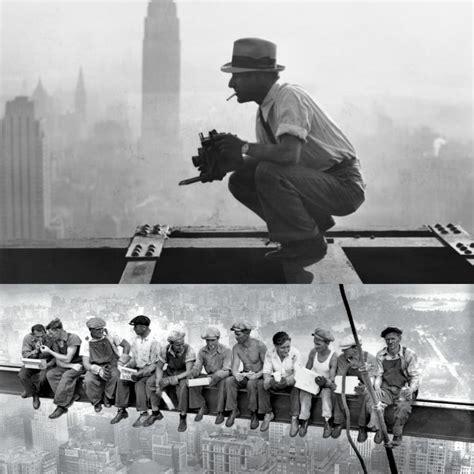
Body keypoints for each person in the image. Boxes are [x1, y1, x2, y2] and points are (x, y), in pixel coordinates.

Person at [215, 37, 365, 265]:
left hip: (343, 185)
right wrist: (227, 163)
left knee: (268, 172)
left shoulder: (289, 97)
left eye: (237, 76)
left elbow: (287, 156)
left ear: (259, 76)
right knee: (240, 180)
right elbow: (271, 161)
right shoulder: (266, 110)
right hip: (319, 181)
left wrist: (243, 146)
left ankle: (309, 242)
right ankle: (301, 234)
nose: (231, 84)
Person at [360, 327, 420, 446]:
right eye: (387, 339)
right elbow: (379, 375)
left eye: (393, 339)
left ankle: (397, 435)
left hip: (403, 388)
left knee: (403, 408)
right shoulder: (381, 355)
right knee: (374, 401)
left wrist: (411, 389)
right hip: (386, 388)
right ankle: (379, 429)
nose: (390, 342)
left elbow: (415, 376)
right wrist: (377, 387)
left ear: (399, 339)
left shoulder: (409, 355)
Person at [111, 315, 161, 427]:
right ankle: (121, 410)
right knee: (122, 379)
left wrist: (141, 373)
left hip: (150, 372)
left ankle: (143, 413)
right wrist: (128, 367)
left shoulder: (154, 341)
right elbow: (134, 358)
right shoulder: (136, 340)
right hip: (138, 369)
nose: (134, 329)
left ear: (143, 327)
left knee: (139, 384)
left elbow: (155, 364)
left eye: (136, 327)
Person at [330, 335, 376, 439]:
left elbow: (372, 380)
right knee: (336, 391)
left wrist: (363, 387)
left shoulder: (370, 359)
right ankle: (339, 422)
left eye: (346, 349)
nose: (343, 351)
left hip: (364, 386)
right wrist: (338, 384)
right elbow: (340, 375)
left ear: (356, 348)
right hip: (347, 385)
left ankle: (362, 426)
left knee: (367, 394)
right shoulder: (342, 358)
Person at [81, 317, 131, 413]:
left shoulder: (110, 334)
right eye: (97, 329)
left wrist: (121, 361)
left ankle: (108, 397)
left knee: (115, 375)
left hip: (112, 363)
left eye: (102, 328)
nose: (101, 331)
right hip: (95, 366)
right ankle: (96, 402)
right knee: (88, 380)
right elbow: (86, 363)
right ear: (90, 330)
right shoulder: (86, 341)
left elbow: (127, 345)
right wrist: (98, 370)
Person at [150, 330, 196, 432]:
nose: (181, 347)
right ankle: (156, 412)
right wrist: (158, 382)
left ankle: (183, 416)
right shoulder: (165, 350)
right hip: (170, 371)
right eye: (178, 345)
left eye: (182, 344)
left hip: (183, 374)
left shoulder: (189, 350)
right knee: (152, 382)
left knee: (183, 387)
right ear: (172, 344)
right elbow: (159, 368)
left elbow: (189, 371)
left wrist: (173, 379)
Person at [224, 321, 267, 429]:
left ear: (247, 334)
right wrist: (236, 374)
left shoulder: (260, 346)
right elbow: (235, 366)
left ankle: (253, 413)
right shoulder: (236, 348)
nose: (236, 337)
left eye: (238, 334)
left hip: (259, 375)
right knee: (229, 381)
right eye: (235, 334)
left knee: (251, 384)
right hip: (246, 374)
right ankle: (233, 410)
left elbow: (267, 367)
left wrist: (257, 375)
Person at [260, 331, 303, 435]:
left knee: (296, 387)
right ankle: (268, 413)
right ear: (276, 346)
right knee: (261, 385)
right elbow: (266, 371)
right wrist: (269, 380)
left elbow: (298, 374)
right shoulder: (270, 353)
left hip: (290, 381)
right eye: (283, 348)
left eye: (288, 347)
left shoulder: (295, 353)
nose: (286, 350)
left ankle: (294, 418)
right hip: (276, 380)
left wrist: (286, 381)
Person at [298, 328, 338, 438]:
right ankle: (304, 419)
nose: (316, 346)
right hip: (313, 382)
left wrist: (325, 381)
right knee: (305, 392)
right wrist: (304, 380)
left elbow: (332, 377)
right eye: (315, 344)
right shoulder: (313, 352)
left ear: (327, 344)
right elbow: (308, 369)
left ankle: (327, 421)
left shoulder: (333, 356)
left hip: (325, 384)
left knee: (326, 394)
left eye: (319, 344)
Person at [41, 318, 84, 419]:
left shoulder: (73, 338)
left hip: (79, 365)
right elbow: (58, 360)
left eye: (51, 333)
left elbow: (67, 358)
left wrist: (50, 351)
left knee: (66, 376)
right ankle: (71, 396)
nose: (50, 336)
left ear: (58, 331)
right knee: (50, 374)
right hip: (69, 365)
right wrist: (70, 366)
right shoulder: (56, 341)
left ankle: (61, 406)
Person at [188, 326, 232, 425]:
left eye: (213, 340)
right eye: (208, 341)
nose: (210, 343)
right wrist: (192, 373)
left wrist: (218, 375)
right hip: (209, 376)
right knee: (193, 381)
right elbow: (197, 366)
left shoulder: (226, 350)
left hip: (222, 376)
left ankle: (220, 412)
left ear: (218, 339)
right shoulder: (202, 351)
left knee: (223, 383)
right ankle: (202, 406)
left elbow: (227, 369)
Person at [18, 324, 54, 409]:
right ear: (33, 335)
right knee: (22, 375)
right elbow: (25, 355)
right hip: (32, 362)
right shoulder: (28, 338)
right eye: (38, 337)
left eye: (42, 335)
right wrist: (36, 351)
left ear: (45, 332)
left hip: (46, 363)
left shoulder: (51, 339)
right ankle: (32, 393)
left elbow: (56, 356)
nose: (41, 338)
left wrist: (48, 365)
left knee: (41, 378)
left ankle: (33, 394)